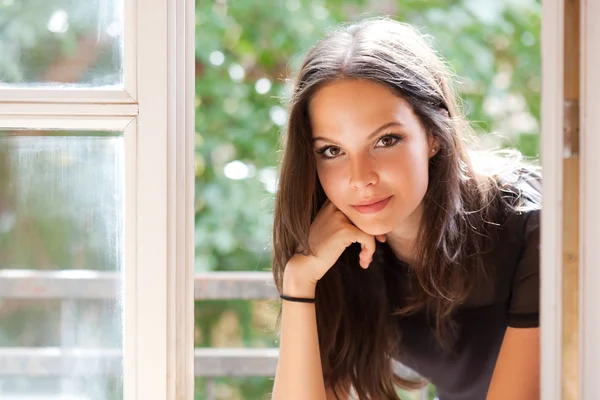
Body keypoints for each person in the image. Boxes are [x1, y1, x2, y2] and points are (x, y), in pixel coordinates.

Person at [270, 17, 541, 400]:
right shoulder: (338, 249)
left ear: (434, 134)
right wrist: (300, 281)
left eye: (385, 140)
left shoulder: (533, 227)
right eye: (332, 150)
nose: (360, 178)